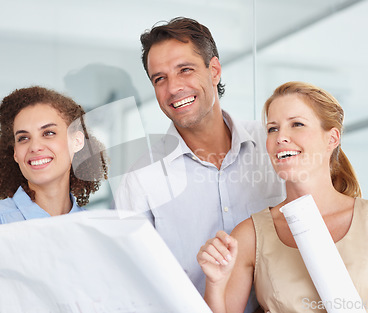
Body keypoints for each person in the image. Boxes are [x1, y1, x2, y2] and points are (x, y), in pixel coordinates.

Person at [197, 81, 368, 313]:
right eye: (272, 129)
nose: (281, 137)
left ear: (332, 138)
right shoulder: (250, 236)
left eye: (297, 124)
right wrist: (216, 284)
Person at [113, 17, 285, 312]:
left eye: (185, 70)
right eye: (160, 78)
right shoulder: (141, 180)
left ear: (214, 70)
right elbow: (133, 286)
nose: (173, 88)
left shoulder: (274, 144)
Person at [0, 86, 108, 313]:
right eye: (23, 138)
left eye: (49, 133)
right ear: (15, 153)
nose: (35, 147)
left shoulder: (95, 231)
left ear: (77, 141)